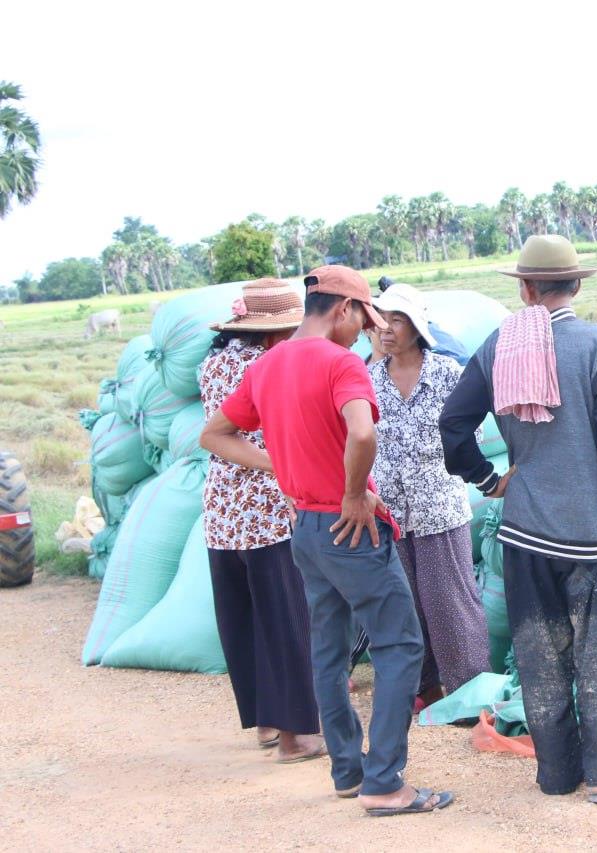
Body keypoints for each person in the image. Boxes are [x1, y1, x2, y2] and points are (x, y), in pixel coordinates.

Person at [201, 265, 453, 817]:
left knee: (329, 650)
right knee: (399, 645)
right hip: (349, 528)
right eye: (363, 318)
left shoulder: (267, 365)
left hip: (306, 532)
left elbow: (214, 435)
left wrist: (282, 466)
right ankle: (384, 783)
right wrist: (354, 494)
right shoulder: (341, 363)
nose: (365, 331)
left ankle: (347, 770)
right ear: (344, 309)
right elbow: (362, 431)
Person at [440, 234, 597, 805]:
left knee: (541, 657)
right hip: (587, 532)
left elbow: (453, 425)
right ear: (577, 285)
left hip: (522, 530)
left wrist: (489, 481)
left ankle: (558, 775)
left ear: (525, 288)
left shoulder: (500, 346)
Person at [199, 279, 325, 763]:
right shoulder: (272, 365)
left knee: (246, 621)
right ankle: (298, 737)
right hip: (269, 509)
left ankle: (268, 724)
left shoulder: (212, 364)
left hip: (222, 512)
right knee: (287, 620)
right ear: (275, 333)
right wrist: (288, 469)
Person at [369, 282, 490, 706]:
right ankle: (425, 688)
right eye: (381, 320)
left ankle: (469, 692)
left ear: (417, 327)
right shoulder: (368, 380)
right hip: (390, 512)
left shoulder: (446, 374)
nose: (386, 329)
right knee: (403, 605)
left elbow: (470, 432)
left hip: (439, 506)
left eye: (397, 320)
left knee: (449, 603)